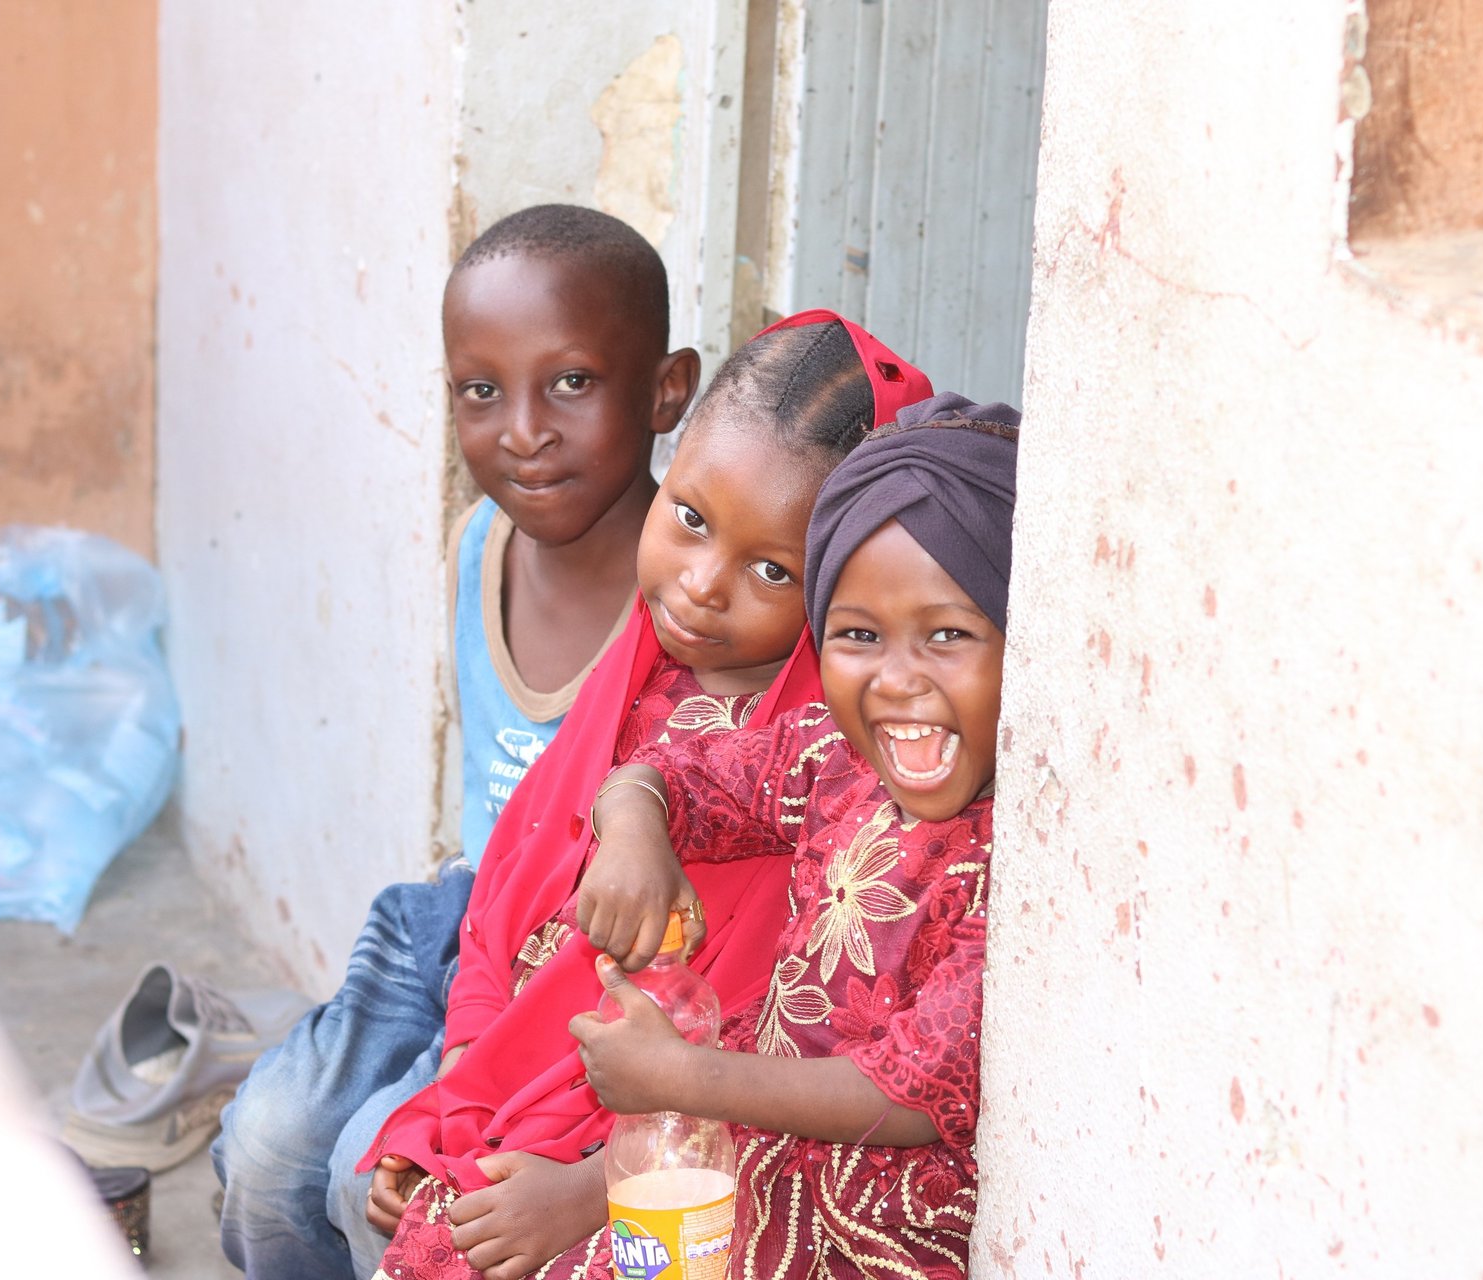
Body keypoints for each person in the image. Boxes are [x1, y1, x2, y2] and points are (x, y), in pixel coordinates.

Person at [363, 313, 936, 1280]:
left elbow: (766, 1059)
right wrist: (455, 1089)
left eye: (771, 570)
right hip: (513, 1085)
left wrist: (587, 1185)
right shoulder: (636, 676)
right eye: (690, 519)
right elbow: (506, 900)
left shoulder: (811, 771)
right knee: (322, 1164)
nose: (703, 586)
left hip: (649, 1154)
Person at [213, 203, 701, 1280]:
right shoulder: (480, 540)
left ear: (668, 388)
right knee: (263, 1145)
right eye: (482, 391)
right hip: (457, 922)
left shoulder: (693, 606)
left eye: (570, 381)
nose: (522, 428)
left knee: (365, 1175)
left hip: (575, 968)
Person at [568, 393, 1021, 1278]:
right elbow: (668, 771)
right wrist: (632, 832)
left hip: (869, 1233)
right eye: (857, 634)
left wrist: (680, 1080)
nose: (897, 680)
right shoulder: (836, 760)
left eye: (948, 635)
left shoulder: (1019, 862)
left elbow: (910, 1096)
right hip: (743, 1177)